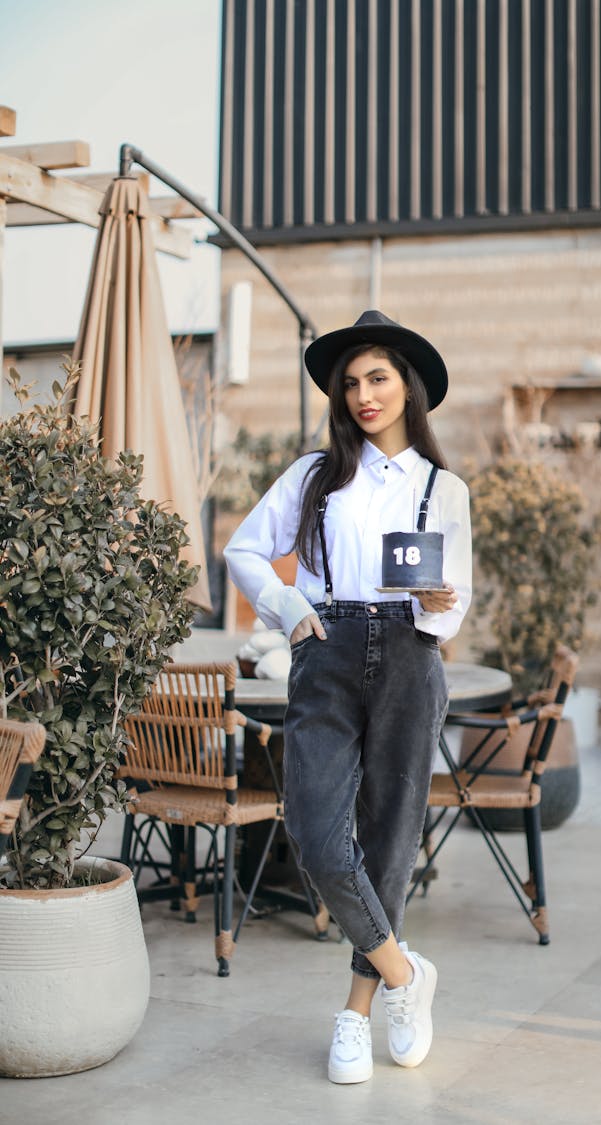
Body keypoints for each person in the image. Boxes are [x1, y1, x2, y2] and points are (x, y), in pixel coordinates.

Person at [224, 309, 472, 1084]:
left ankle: (357, 1013)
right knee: (314, 828)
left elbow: (454, 608)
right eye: (353, 381)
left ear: (408, 388)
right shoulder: (312, 475)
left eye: (379, 378)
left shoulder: (443, 487)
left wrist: (438, 598)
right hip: (325, 651)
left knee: (391, 834)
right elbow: (242, 549)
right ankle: (406, 975)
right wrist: (291, 610)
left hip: (410, 654)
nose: (364, 394)